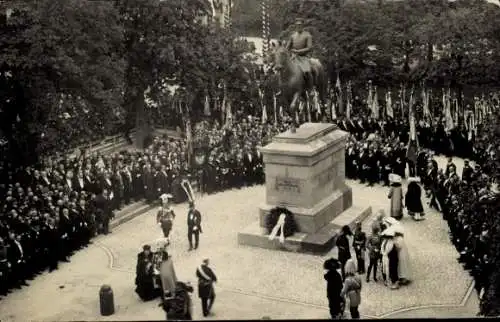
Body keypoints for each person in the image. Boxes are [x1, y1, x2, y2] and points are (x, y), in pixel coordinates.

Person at [286, 17, 314, 87]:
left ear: (303, 25)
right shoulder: (293, 36)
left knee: (307, 71)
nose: (298, 26)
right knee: (284, 70)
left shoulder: (307, 35)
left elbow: (309, 48)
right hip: (294, 57)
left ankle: (310, 88)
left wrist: (298, 51)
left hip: (304, 57)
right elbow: (287, 47)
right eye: (297, 25)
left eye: (300, 25)